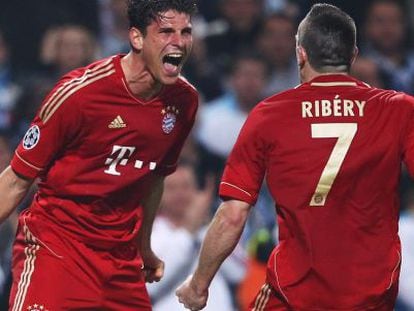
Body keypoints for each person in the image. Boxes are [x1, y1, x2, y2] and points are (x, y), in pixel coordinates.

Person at [176, 3, 414, 310]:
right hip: (372, 294)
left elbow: (233, 214)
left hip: (294, 295)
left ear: (301, 54)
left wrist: (198, 285)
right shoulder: (399, 110)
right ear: (352, 55)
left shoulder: (270, 115)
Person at [0, 0, 198, 310]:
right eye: (166, 32)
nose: (179, 42)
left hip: (120, 265)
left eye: (186, 31)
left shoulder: (184, 101)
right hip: (57, 251)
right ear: (137, 38)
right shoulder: (79, 94)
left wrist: (143, 247)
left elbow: (153, 177)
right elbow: (15, 180)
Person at [147, 161, 246, 311]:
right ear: (158, 194)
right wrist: (188, 230)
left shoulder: (214, 229)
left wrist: (205, 230)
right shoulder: (150, 233)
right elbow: (151, 285)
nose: (180, 194)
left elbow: (239, 272)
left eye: (186, 186)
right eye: (172, 188)